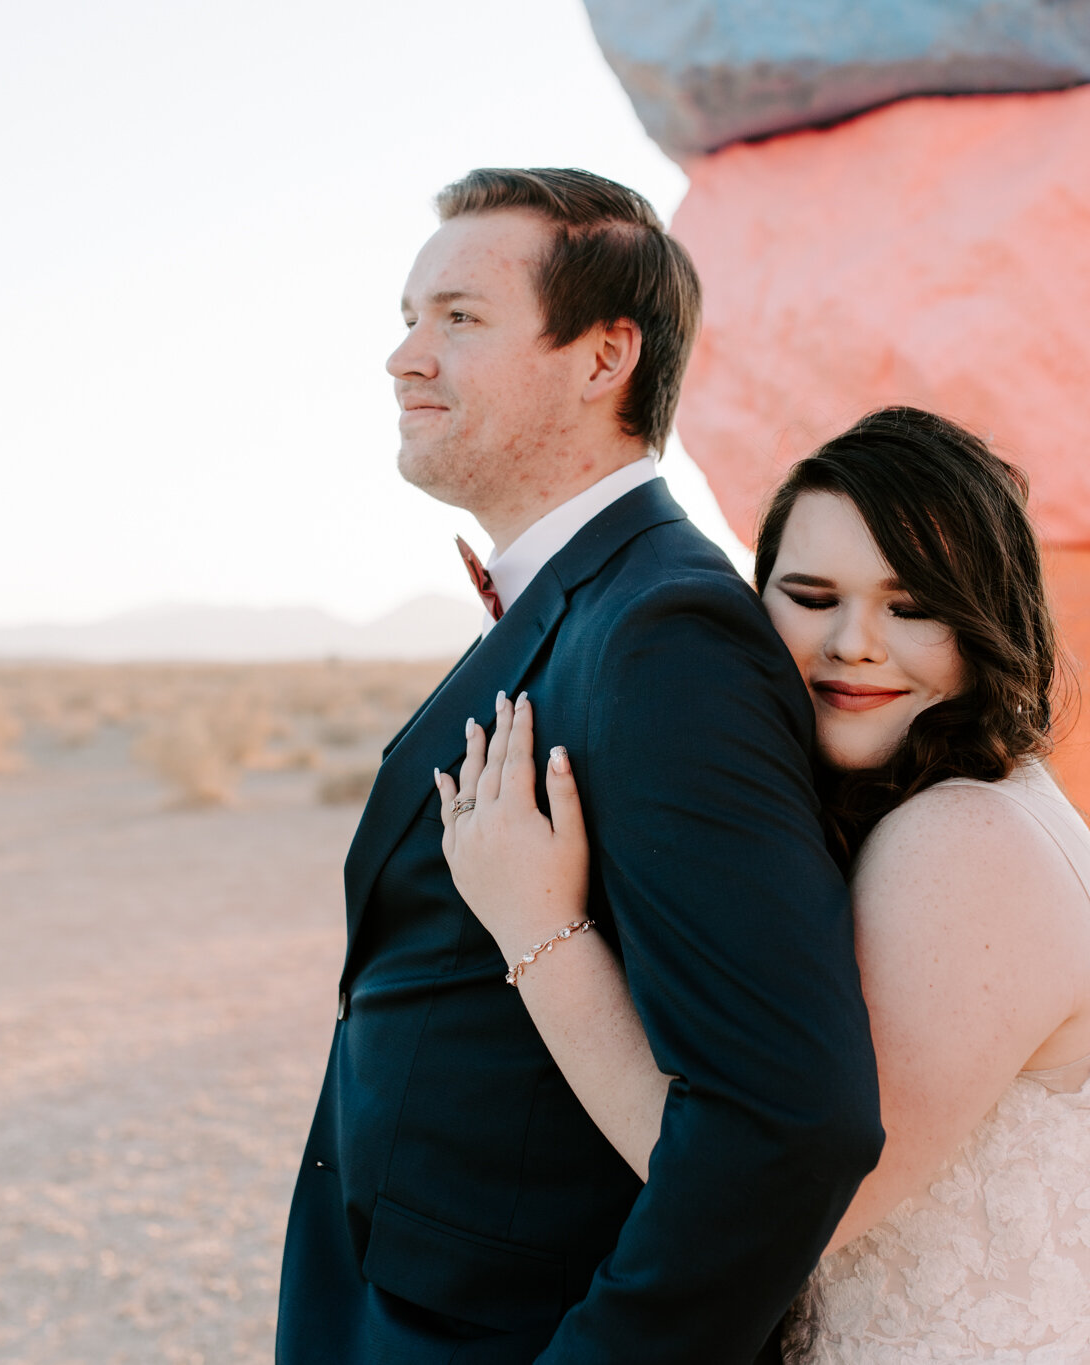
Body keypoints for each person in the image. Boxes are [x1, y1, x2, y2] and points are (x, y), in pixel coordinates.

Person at [438, 407, 1090, 1363]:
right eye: (811, 595)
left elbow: (771, 1202)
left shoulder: (966, 839)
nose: (854, 644)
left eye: (911, 607)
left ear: (987, 624)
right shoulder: (909, 806)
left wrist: (538, 929)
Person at [274, 168, 884, 1364]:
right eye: (408, 318)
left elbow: (788, 1120)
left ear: (604, 358)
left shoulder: (665, 634)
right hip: (395, 1294)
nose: (405, 357)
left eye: (458, 318)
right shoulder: (579, 602)